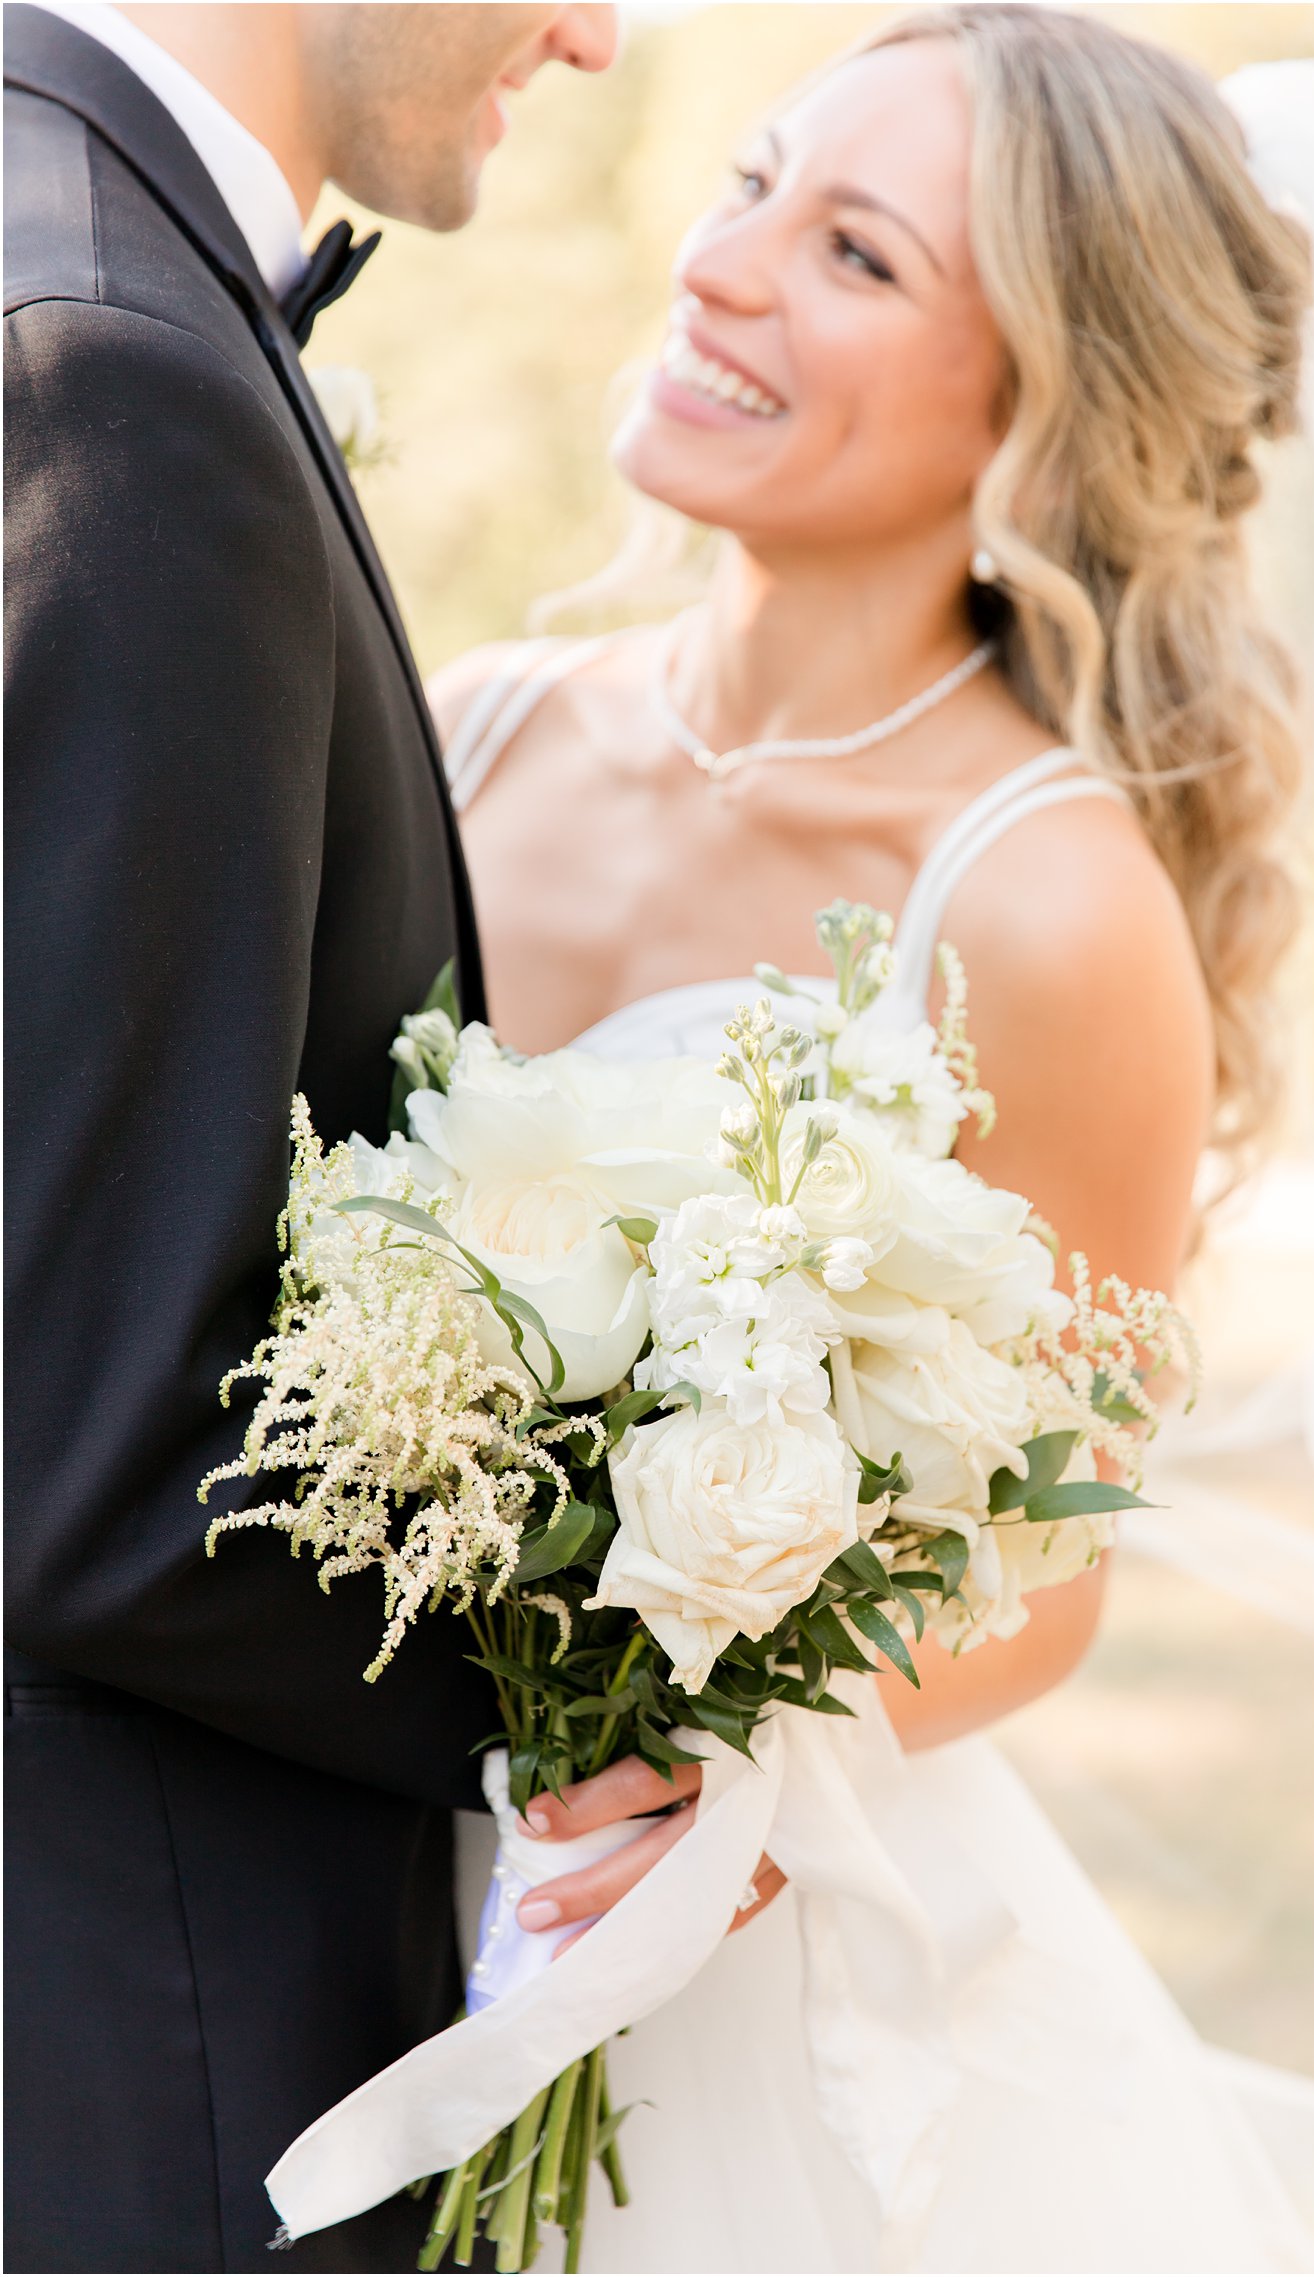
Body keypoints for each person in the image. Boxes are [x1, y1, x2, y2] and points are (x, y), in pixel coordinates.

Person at [430, 8, 1314, 2270]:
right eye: (746, 192)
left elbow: (1046, 1565)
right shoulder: (477, 731)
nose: (722, 269)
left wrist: (713, 1756)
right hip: (342, 1850)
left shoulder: (1039, 904)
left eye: (853, 253)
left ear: (1035, 409)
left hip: (744, 1949)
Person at [3, 5, 615, 2271]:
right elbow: (82, 1449)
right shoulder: (98, 357)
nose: (593, 35)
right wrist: (608, 1669)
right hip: (123, 2042)